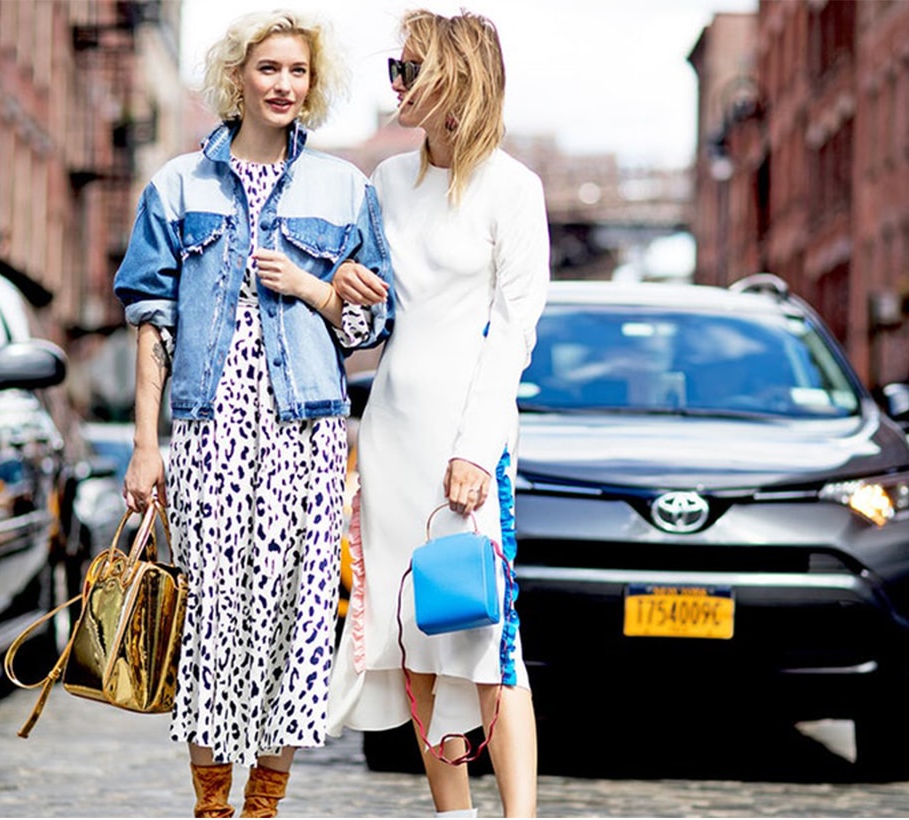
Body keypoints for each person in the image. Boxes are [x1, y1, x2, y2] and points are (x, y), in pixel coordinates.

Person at [113, 10, 393, 818]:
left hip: (306, 430)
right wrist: (144, 446)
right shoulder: (177, 186)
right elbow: (152, 324)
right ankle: (211, 807)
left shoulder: (345, 189)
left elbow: (371, 323)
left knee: (294, 621)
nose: (283, 85)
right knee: (211, 616)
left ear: (314, 83)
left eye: (298, 72)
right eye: (269, 69)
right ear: (238, 77)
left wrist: (311, 286)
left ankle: (265, 805)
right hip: (209, 429)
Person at [326, 8, 550, 819]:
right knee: (417, 633)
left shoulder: (513, 190)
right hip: (390, 436)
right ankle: (453, 814)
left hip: (470, 442)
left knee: (488, 641)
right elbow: (368, 326)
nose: (396, 84)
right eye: (396, 67)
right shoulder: (385, 184)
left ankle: (518, 816)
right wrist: (344, 296)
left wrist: (475, 447)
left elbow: (514, 333)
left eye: (409, 68)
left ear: (456, 77)